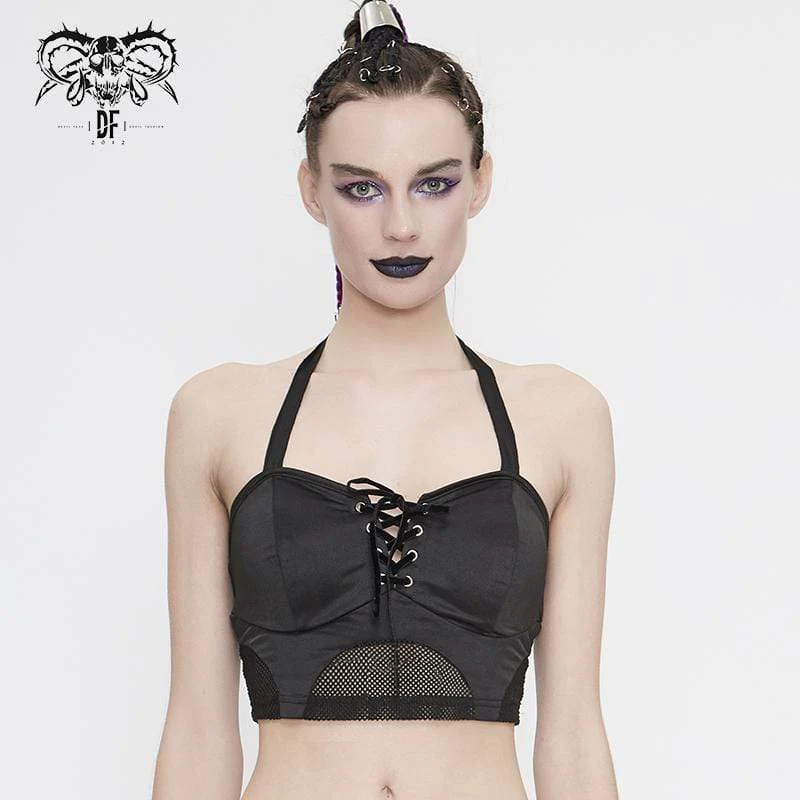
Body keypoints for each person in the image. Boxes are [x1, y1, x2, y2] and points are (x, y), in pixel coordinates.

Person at [152, 2, 618, 798]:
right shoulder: (219, 415)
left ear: (480, 182)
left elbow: (573, 730)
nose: (402, 226)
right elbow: (198, 727)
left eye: (434, 183)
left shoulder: (562, 418)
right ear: (312, 190)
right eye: (362, 188)